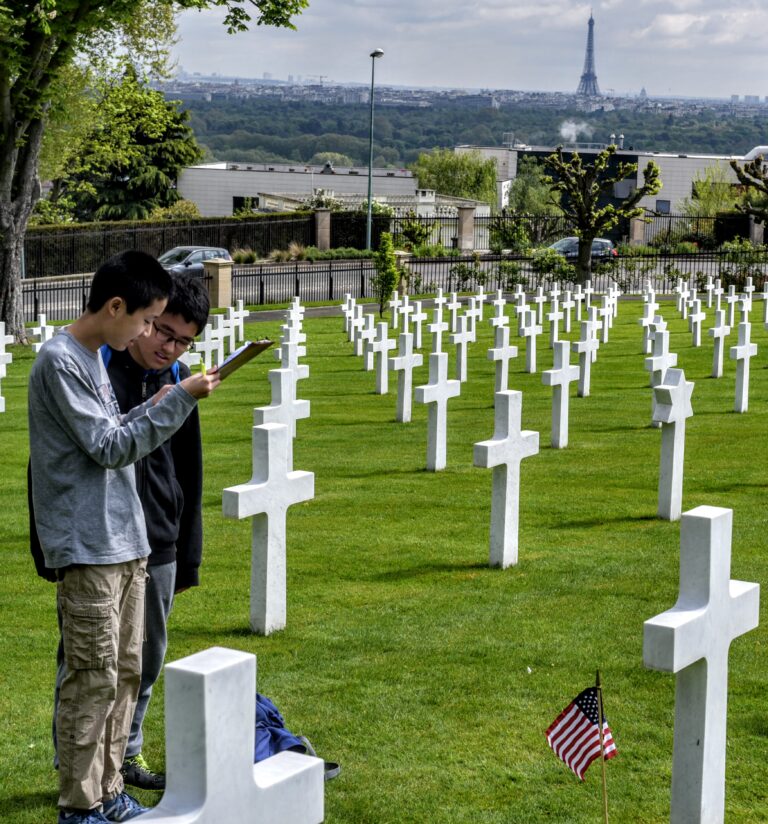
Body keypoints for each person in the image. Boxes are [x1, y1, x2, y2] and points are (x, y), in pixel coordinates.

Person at [28, 251, 220, 824]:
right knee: (92, 678)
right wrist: (178, 400)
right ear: (115, 307)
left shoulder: (89, 358)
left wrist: (162, 400)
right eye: (145, 321)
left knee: (125, 674)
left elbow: (116, 432)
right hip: (90, 547)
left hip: (127, 541)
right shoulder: (62, 361)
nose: (147, 335)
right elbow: (110, 448)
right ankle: (81, 803)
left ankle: (109, 789)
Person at [101, 276, 209, 792]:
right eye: (161, 331)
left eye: (182, 341)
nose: (167, 347)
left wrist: (188, 552)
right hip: (102, 538)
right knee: (93, 657)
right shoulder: (98, 372)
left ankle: (128, 751)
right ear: (145, 318)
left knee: (147, 655)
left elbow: (189, 470)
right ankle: (77, 758)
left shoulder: (181, 378)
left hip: (159, 536)